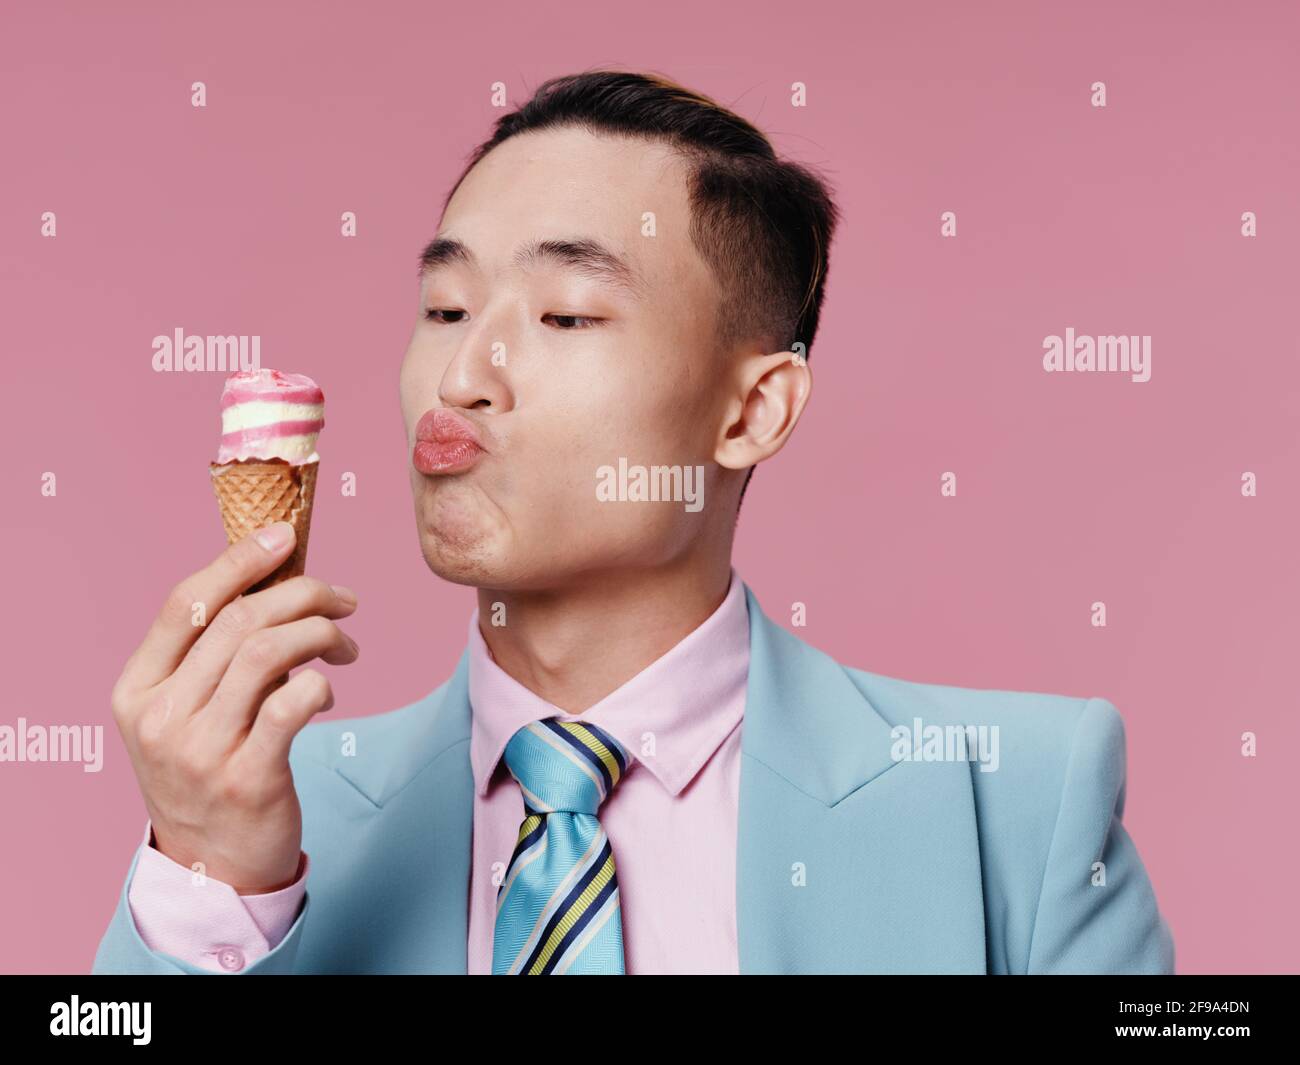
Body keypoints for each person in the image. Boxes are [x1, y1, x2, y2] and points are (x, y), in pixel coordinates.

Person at [93, 69, 1174, 974]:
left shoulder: (1010, 799)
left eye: (565, 314)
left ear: (753, 410)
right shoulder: (264, 817)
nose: (461, 376)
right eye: (444, 309)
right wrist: (209, 878)